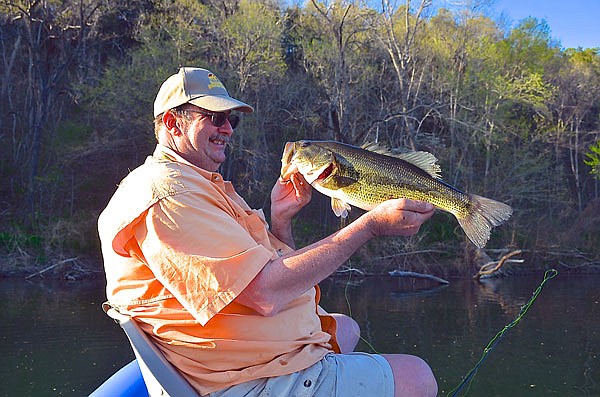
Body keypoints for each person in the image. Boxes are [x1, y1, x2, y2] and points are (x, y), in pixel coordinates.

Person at [98, 67, 438, 397]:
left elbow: (273, 275)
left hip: (252, 353)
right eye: (215, 118)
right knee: (418, 377)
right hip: (244, 378)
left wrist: (281, 221)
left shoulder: (201, 186)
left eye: (233, 119)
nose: (228, 129)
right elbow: (264, 293)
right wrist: (370, 225)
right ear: (173, 123)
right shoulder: (170, 194)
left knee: (345, 326)